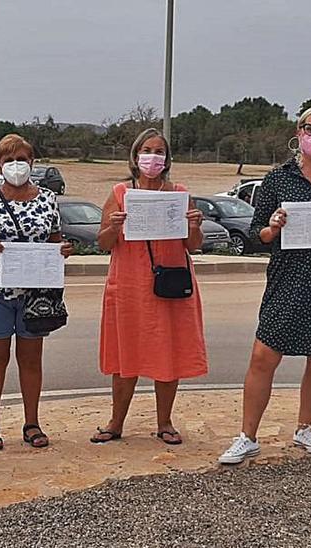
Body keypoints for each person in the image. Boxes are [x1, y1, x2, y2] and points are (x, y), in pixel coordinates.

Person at [218, 106, 311, 464]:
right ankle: (248, 435)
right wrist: (273, 227)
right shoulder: (276, 179)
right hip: (290, 278)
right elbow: (258, 235)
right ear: (298, 131)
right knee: (263, 355)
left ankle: (304, 427)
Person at [91, 128, 208, 446]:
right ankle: (116, 423)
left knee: (168, 354)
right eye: (147, 150)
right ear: (135, 155)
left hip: (169, 285)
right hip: (128, 286)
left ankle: (165, 422)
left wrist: (194, 226)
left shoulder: (180, 193)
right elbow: (102, 244)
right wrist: (114, 227)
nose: (153, 157)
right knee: (124, 357)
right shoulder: (119, 193)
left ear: (167, 158)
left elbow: (193, 245)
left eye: (159, 151)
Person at [0, 134, 73, 451]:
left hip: (36, 294)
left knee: (31, 359)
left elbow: (55, 240)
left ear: (32, 162)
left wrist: (62, 250)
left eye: (21, 159)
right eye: (9, 160)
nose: (15, 165)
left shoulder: (48, 199)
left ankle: (32, 422)